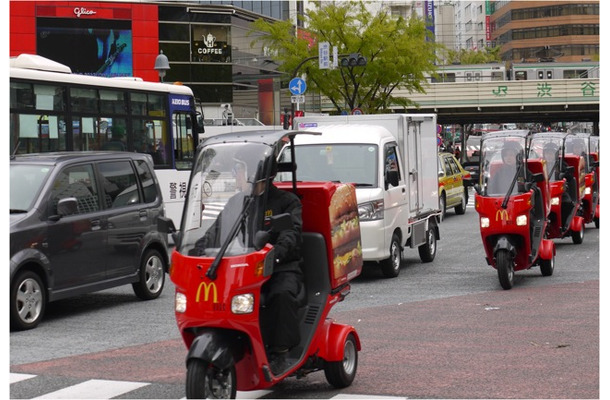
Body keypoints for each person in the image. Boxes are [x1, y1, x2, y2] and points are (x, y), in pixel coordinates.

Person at [193, 153, 304, 374]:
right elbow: (216, 231)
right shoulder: (237, 202)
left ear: (260, 174)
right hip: (245, 268)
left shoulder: (287, 202)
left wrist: (274, 253)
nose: (236, 175)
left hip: (279, 267)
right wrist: (196, 249)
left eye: (240, 170)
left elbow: (291, 234)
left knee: (281, 294)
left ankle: (281, 351)